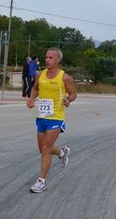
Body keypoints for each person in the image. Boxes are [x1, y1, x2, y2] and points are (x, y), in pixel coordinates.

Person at [26, 48, 77, 193]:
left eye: (51, 58)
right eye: (46, 57)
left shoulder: (64, 77)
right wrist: (31, 98)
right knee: (42, 149)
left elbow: (73, 93)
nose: (47, 60)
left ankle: (41, 181)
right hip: (42, 116)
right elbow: (35, 88)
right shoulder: (39, 74)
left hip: (56, 116)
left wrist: (68, 100)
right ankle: (62, 153)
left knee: (46, 149)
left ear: (58, 60)